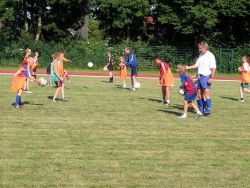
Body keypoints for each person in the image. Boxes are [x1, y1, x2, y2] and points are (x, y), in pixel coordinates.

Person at [185, 41, 216, 116]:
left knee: (206, 93)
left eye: (200, 48)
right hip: (200, 76)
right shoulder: (201, 55)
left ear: (205, 48)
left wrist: (211, 77)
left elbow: (213, 68)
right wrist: (189, 67)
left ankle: (208, 110)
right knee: (199, 95)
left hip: (206, 76)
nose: (199, 50)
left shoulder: (210, 55)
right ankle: (201, 110)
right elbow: (197, 65)